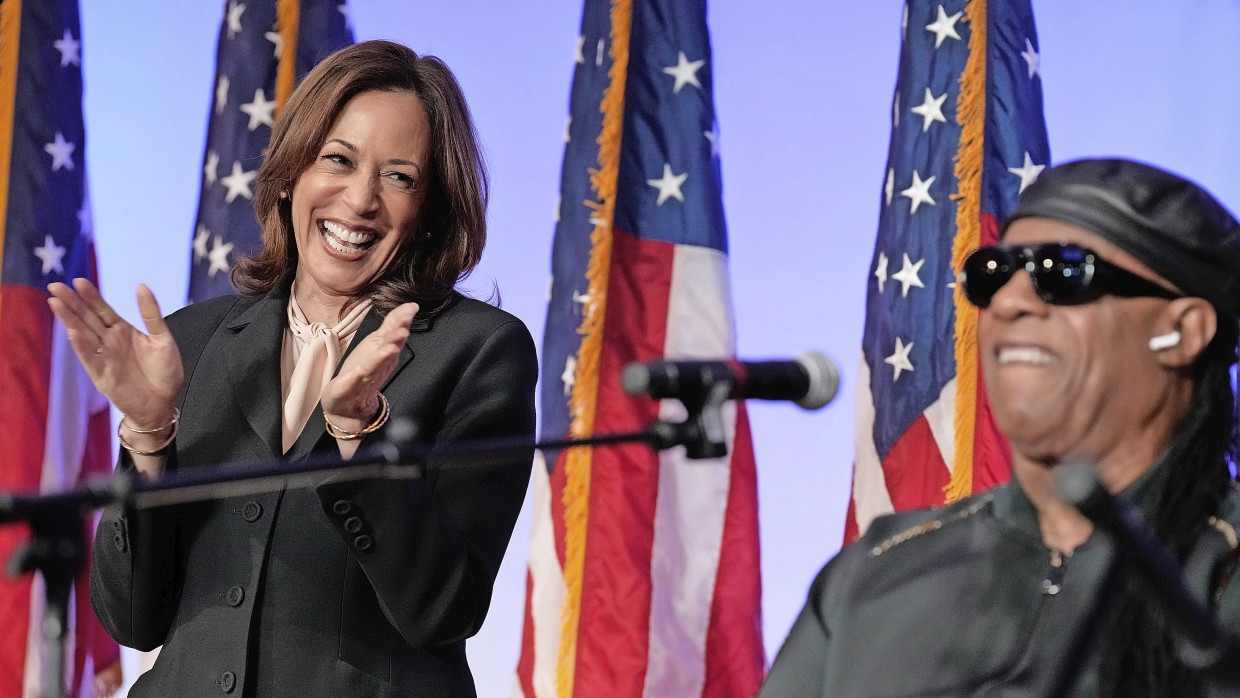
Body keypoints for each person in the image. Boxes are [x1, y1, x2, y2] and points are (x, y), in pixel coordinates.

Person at [46, 40, 537, 697]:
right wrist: (149, 433)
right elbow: (131, 618)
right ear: (291, 175)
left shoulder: (478, 350)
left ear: (429, 211)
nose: (360, 199)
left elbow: (443, 609)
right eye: (338, 159)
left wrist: (360, 437)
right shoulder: (192, 340)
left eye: (399, 177)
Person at [760, 158, 1240, 697]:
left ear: (1182, 332)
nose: (1009, 302)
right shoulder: (870, 579)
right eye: (991, 274)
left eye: (1061, 272)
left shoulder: (1226, 570)